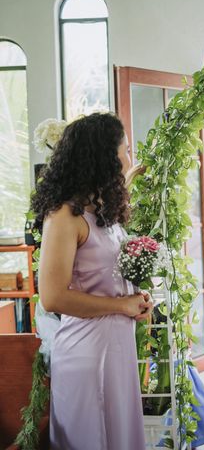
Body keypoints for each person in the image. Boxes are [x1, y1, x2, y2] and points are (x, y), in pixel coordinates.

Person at [32, 113, 152, 450]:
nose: (130, 157)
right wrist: (120, 305)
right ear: (105, 157)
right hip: (88, 352)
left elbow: (104, 273)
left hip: (116, 348)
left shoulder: (100, 209)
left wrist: (136, 299)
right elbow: (52, 298)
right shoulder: (65, 216)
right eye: (126, 150)